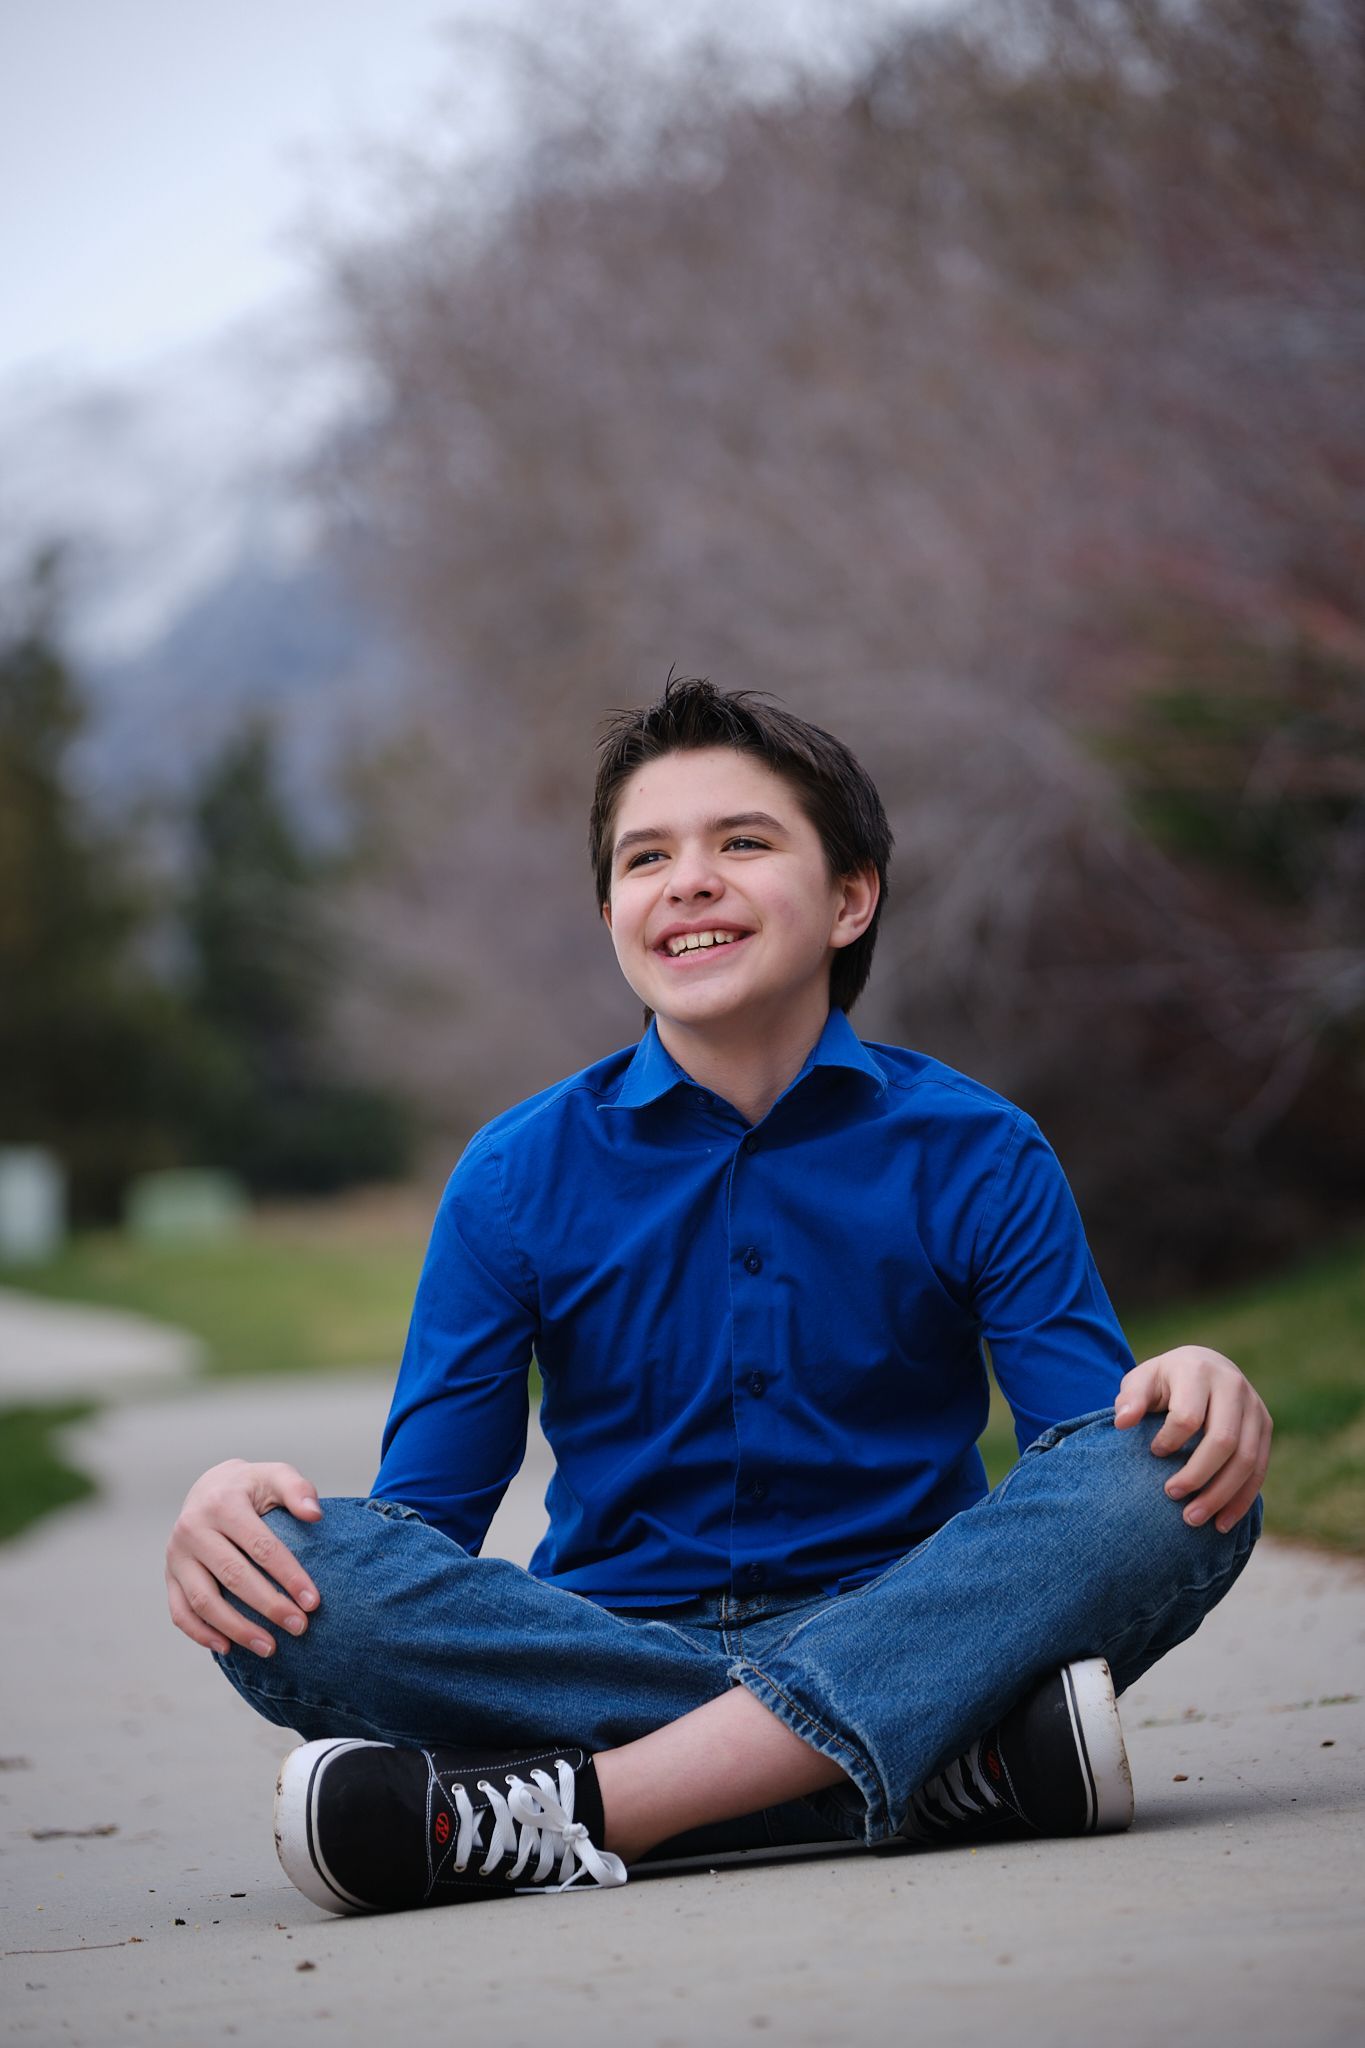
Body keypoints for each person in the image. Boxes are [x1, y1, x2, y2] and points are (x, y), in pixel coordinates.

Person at [165, 676, 1271, 1916]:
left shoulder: (977, 1147)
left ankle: (597, 1806)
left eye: (743, 841)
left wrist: (1192, 1388)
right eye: (648, 857)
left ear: (851, 897)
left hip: (908, 1606)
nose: (689, 879)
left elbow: (1091, 1458)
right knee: (285, 1573)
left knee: (1166, 1477)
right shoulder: (514, 1176)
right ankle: (948, 1765)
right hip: (603, 1649)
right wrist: (237, 1510)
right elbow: (422, 1530)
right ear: (612, 915)